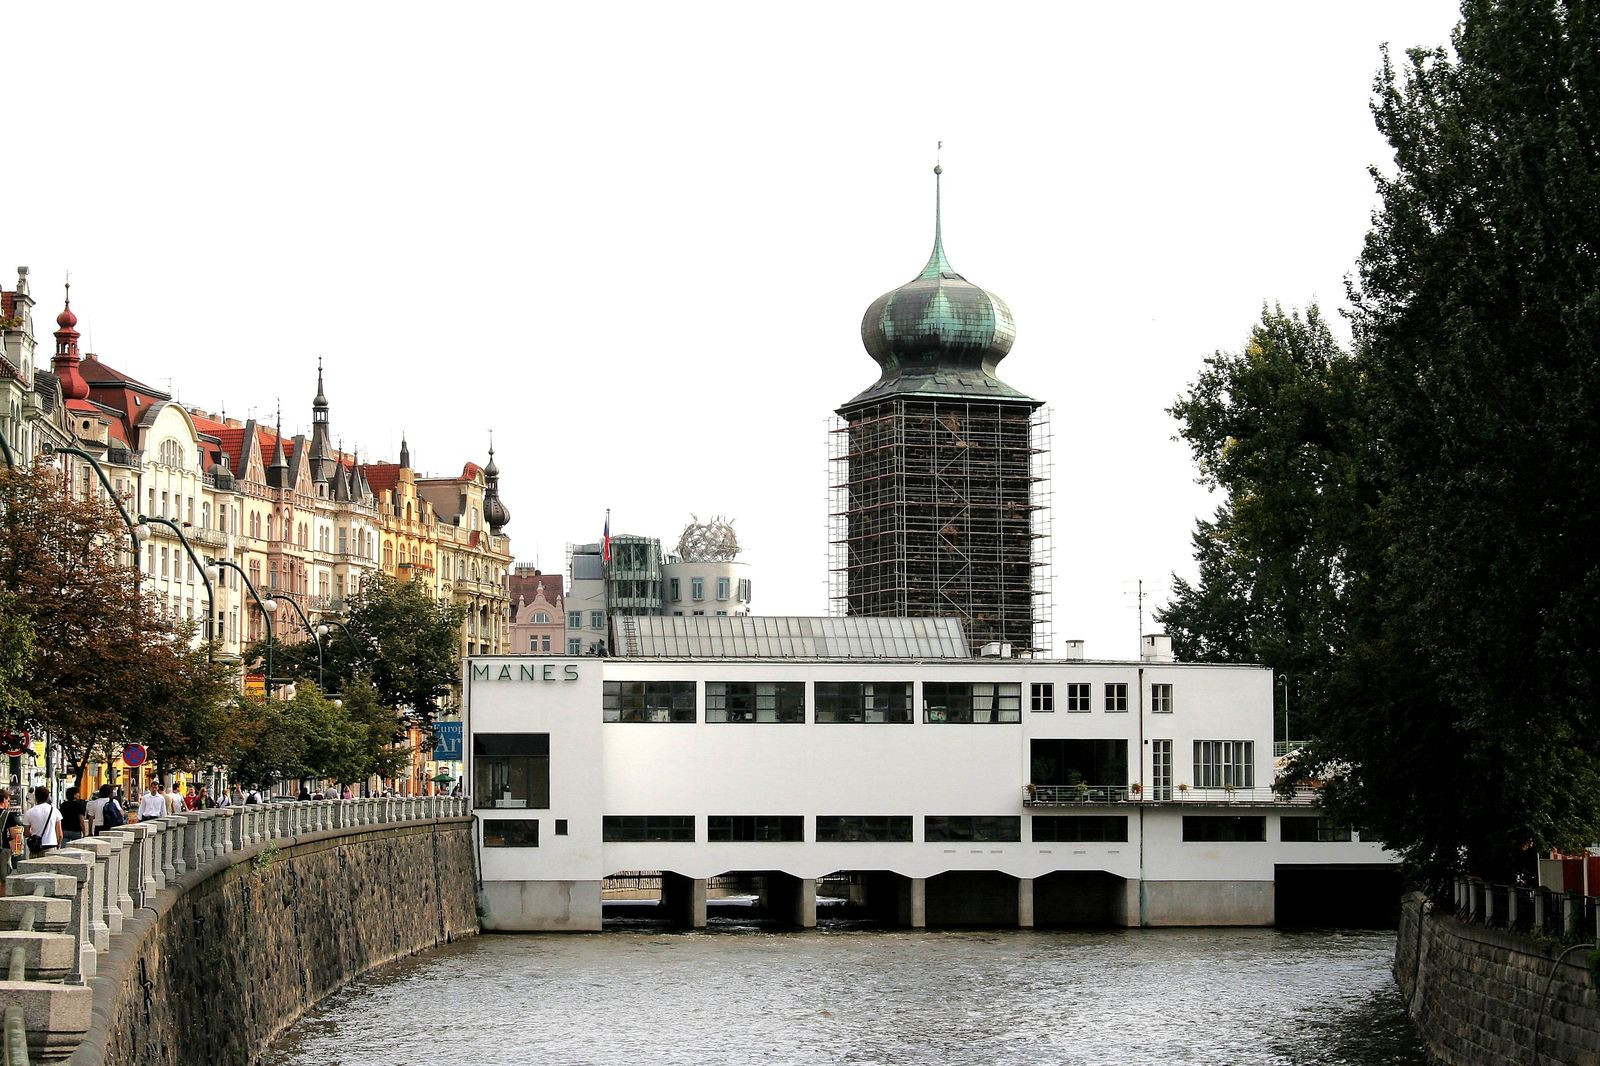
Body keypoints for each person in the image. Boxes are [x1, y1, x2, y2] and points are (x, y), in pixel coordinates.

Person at [23, 787, 61, 856]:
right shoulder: (55, 811)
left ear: (35, 797)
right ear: (48, 797)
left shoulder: (29, 812)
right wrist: (58, 845)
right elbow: (60, 834)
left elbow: (26, 833)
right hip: (51, 845)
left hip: (35, 847)